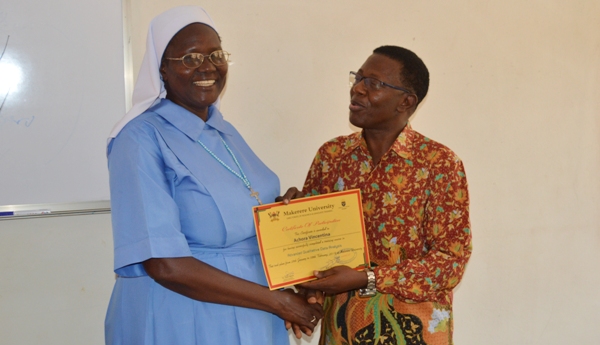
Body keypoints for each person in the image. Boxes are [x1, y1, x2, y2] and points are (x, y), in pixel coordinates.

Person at [104, 6, 321, 345]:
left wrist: (285, 216)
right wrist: (279, 302)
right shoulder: (139, 138)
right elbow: (163, 264)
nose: (207, 67)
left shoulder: (224, 130)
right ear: (162, 67)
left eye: (216, 54)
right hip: (181, 316)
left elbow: (243, 211)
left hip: (254, 313)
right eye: (190, 58)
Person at [299, 46, 472, 345]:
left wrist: (367, 278)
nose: (358, 89)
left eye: (374, 83)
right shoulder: (332, 156)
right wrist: (289, 215)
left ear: (405, 101)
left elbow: (450, 263)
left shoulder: (439, 163)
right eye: (359, 77)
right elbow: (312, 248)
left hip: (413, 332)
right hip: (342, 332)